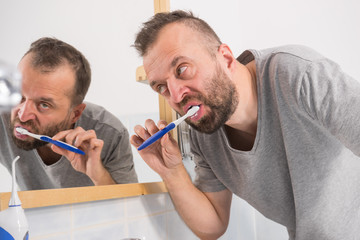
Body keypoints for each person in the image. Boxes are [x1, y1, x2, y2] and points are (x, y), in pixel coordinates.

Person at [130, 10, 360, 240]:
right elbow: (213, 226)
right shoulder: (204, 135)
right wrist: (171, 171)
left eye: (182, 69)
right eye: (161, 87)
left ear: (227, 58)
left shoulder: (298, 74)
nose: (176, 96)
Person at [0, 37, 138, 190]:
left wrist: (98, 176)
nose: (23, 115)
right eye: (19, 96)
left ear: (75, 114)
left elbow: (128, 210)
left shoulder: (110, 133)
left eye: (44, 105)